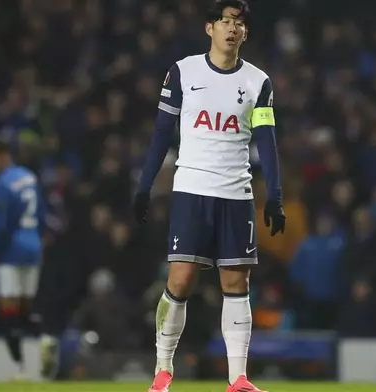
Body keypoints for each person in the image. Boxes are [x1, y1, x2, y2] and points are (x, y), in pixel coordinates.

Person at [133, 1, 286, 391]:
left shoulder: (258, 82)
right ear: (210, 28)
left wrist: (275, 194)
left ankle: (238, 379)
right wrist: (144, 185)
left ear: (245, 33)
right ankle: (162, 370)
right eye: (225, 21)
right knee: (180, 280)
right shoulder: (183, 72)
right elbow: (161, 135)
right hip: (192, 190)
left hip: (236, 194)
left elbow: (267, 143)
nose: (232, 28)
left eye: (239, 23)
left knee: (236, 284)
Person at [0, 138, 47, 380]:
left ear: (2, 155)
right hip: (33, 246)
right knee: (27, 308)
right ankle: (45, 340)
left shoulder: (1, 183)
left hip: (10, 251)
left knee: (9, 311)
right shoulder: (29, 176)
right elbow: (42, 213)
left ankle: (20, 369)